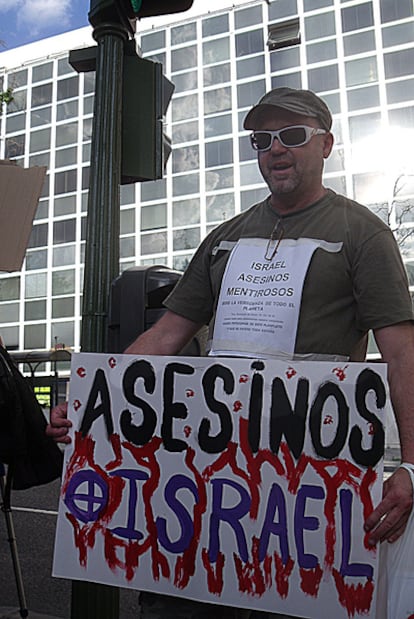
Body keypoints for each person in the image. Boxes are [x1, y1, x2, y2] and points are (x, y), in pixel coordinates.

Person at [47, 87, 414, 619]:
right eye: (262, 141)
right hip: (215, 472)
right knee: (186, 602)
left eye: (292, 136)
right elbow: (167, 334)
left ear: (326, 144)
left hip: (308, 475)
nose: (276, 150)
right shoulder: (225, 237)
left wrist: (411, 466)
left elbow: (402, 355)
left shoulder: (362, 234)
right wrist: (87, 403)